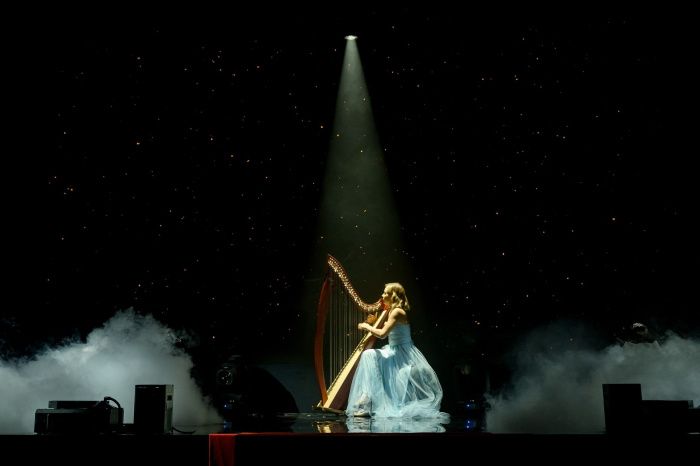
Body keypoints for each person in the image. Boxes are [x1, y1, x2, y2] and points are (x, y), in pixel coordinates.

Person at [345, 282, 449, 421]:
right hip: (393, 350)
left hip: (402, 353)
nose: (382, 295)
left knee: (368, 354)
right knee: (368, 355)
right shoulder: (391, 311)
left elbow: (382, 334)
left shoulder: (397, 312)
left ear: (393, 295)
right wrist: (373, 322)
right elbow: (388, 328)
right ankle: (366, 398)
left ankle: (366, 400)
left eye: (385, 293)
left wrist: (366, 326)